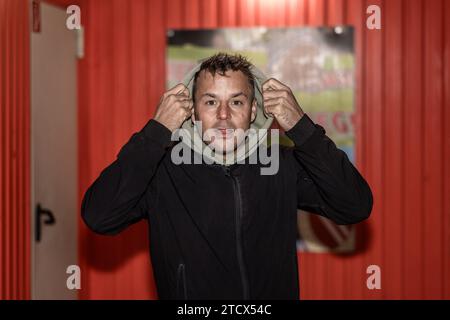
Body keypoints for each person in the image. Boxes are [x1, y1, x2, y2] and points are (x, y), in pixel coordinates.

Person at [81, 53, 373, 300]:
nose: (223, 115)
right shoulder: (162, 170)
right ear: (192, 112)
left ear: (253, 110)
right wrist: (156, 131)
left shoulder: (282, 165)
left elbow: (354, 205)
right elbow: (99, 216)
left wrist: (302, 128)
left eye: (236, 102)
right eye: (210, 102)